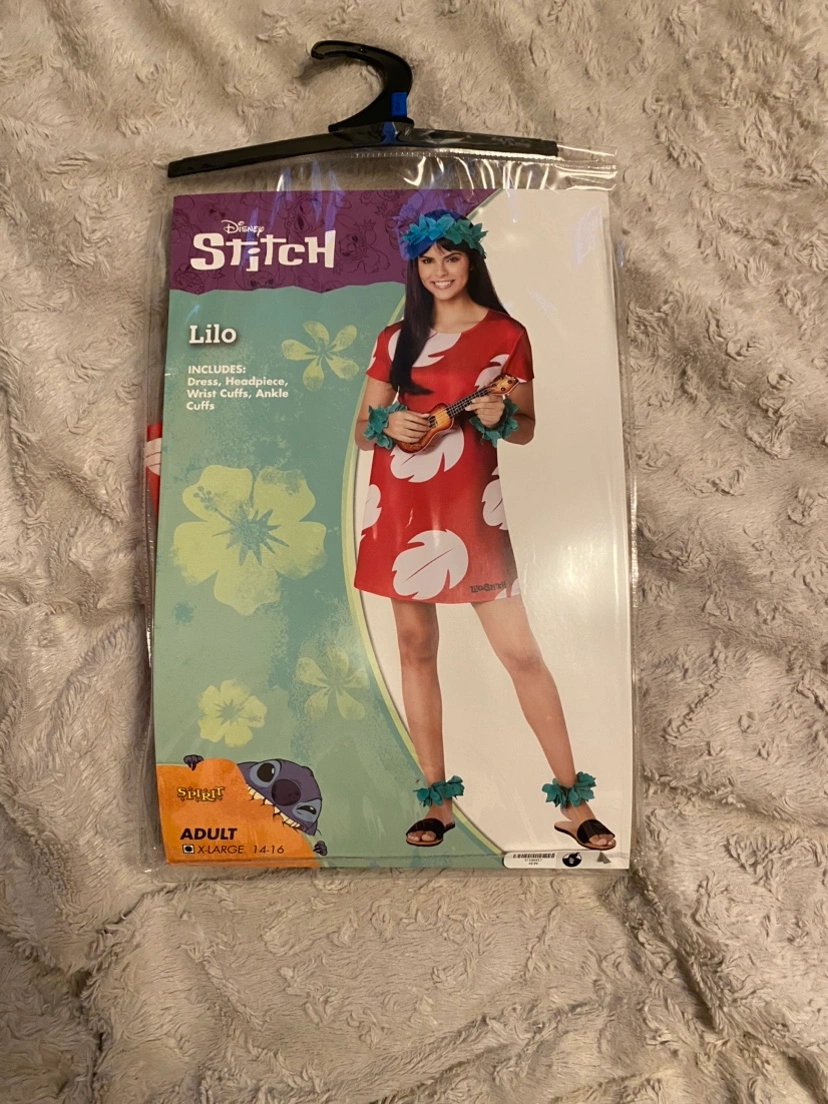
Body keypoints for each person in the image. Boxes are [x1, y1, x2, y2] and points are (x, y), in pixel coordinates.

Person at [354, 209, 615, 851]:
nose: (440, 271)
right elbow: (362, 430)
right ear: (415, 268)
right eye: (427, 260)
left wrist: (499, 418)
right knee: (415, 647)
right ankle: (437, 804)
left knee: (521, 655)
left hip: (473, 509)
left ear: (472, 259)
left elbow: (526, 428)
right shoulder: (395, 338)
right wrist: (388, 425)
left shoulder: (506, 334)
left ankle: (574, 804)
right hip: (400, 506)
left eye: (451, 257)